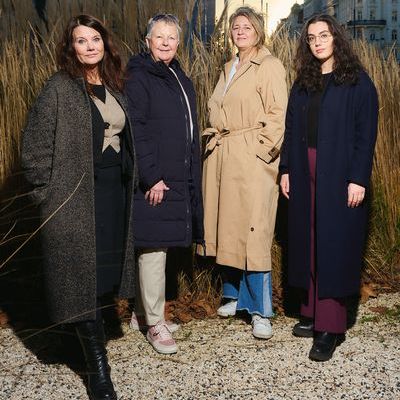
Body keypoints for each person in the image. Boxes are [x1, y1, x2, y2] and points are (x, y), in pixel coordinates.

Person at [21, 15, 136, 400]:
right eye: (81, 40)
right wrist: (47, 195)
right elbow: (34, 149)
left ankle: (78, 342)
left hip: (112, 194)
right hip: (73, 200)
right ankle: (98, 371)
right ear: (70, 47)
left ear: (105, 43)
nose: (89, 46)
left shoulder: (115, 84)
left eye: (95, 39)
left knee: (101, 275)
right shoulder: (59, 87)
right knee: (80, 279)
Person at [279, 14, 378, 362]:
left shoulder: (357, 81)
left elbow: (366, 135)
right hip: (303, 168)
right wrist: (286, 169)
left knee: (334, 243)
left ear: (336, 38)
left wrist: (358, 178)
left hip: (339, 172)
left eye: (324, 35)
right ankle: (311, 311)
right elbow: (291, 128)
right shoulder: (303, 81)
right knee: (308, 238)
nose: (318, 42)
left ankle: (330, 327)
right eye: (311, 38)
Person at [198, 7, 287, 340]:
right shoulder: (229, 66)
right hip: (223, 154)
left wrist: (261, 155)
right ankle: (233, 295)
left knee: (254, 230)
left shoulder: (269, 65)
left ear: (258, 30)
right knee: (229, 225)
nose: (240, 31)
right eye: (235, 26)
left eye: (247, 26)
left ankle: (261, 309)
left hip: (250, 157)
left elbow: (278, 114)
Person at [125, 13, 204, 355]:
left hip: (177, 174)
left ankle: (144, 314)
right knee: (153, 247)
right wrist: (151, 175)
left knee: (159, 245)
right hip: (157, 177)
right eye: (160, 36)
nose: (166, 42)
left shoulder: (176, 75)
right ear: (148, 41)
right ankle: (155, 324)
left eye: (172, 37)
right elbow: (137, 128)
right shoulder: (140, 76)